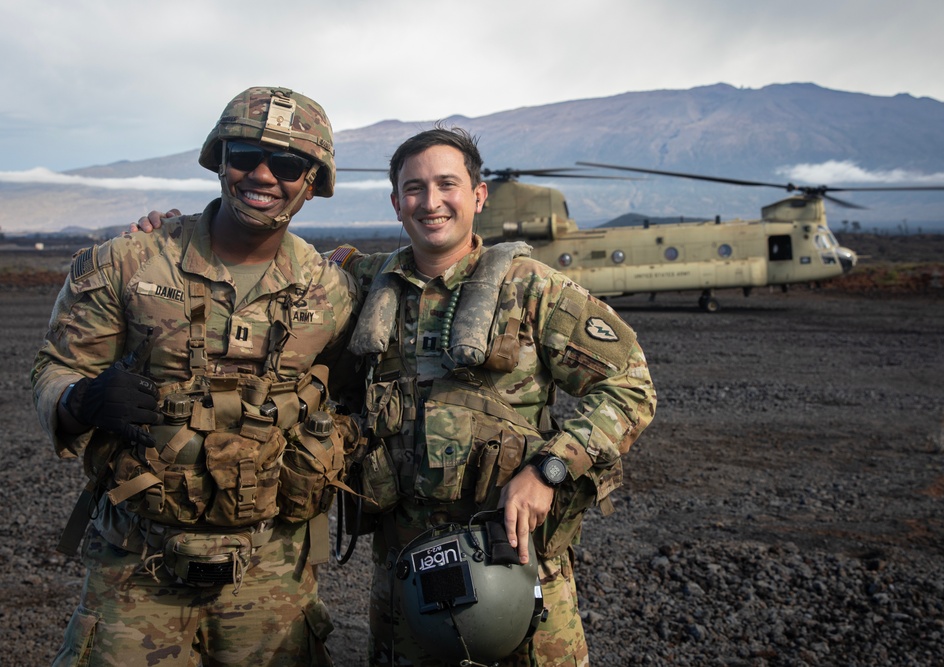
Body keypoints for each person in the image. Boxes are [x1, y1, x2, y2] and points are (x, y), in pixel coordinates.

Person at [136, 126, 657, 665]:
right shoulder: (362, 282)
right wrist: (178, 235)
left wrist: (549, 470)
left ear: (478, 196)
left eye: (447, 185)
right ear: (395, 202)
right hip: (405, 568)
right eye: (414, 188)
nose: (430, 202)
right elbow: (265, 258)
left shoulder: (533, 290)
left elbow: (630, 386)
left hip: (513, 554)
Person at [32, 86, 360, 666]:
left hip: (272, 571)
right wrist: (81, 399)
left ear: (313, 181)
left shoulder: (331, 290)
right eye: (243, 157)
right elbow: (57, 366)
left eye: (286, 164)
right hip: (137, 564)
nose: (261, 175)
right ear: (219, 160)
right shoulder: (129, 262)